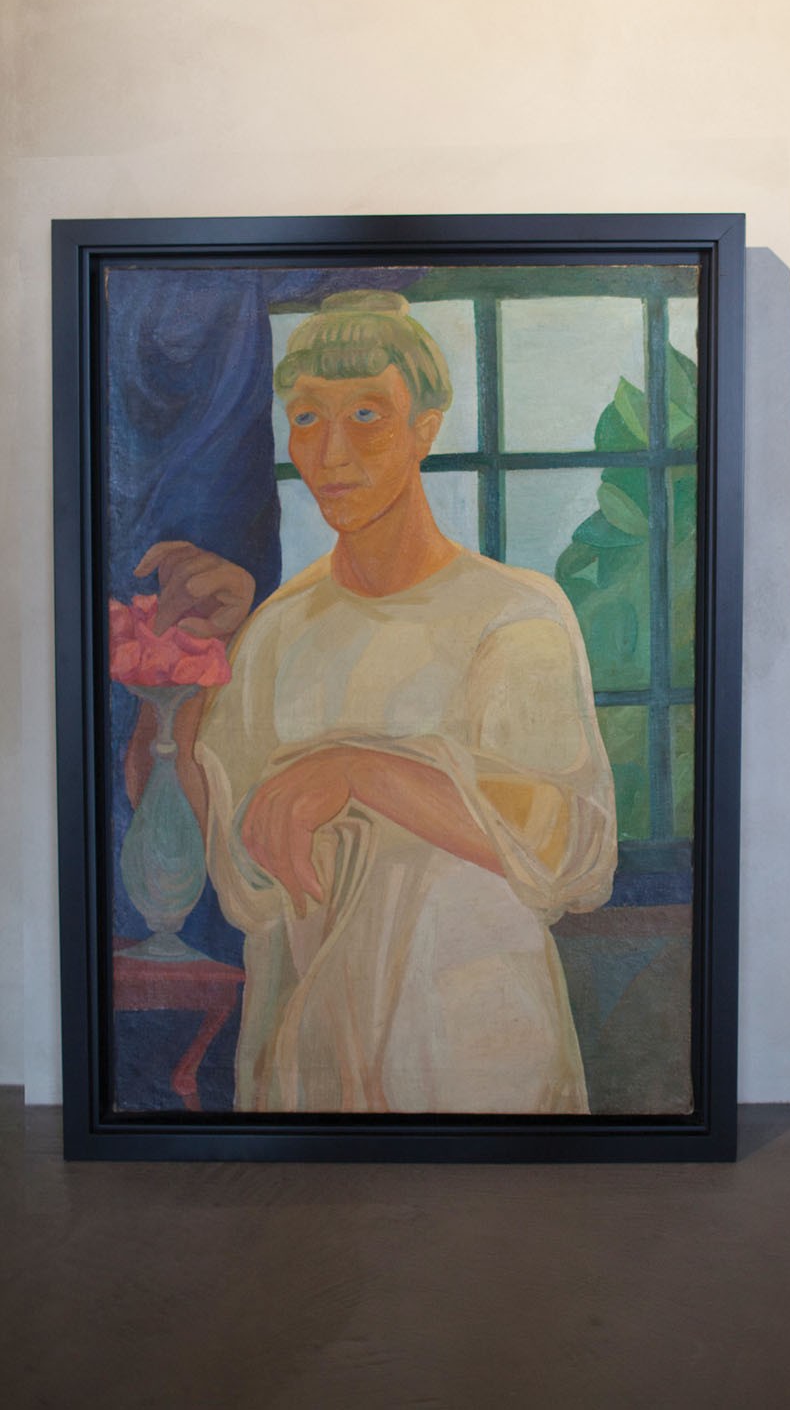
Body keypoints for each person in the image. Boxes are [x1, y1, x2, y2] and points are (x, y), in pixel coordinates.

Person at [127, 291, 617, 1113]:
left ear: (426, 428)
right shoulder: (277, 630)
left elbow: (569, 848)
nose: (331, 452)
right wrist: (179, 671)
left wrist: (360, 771)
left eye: (366, 414)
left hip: (471, 1047)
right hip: (307, 1050)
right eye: (306, 418)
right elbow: (232, 860)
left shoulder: (513, 615)